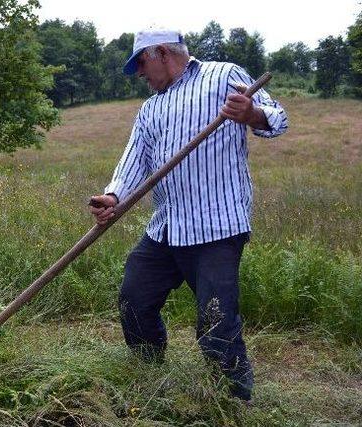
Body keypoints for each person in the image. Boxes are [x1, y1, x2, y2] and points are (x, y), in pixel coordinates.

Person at [89, 27, 288, 402]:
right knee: (134, 298)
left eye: (141, 64)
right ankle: (149, 375)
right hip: (166, 227)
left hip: (216, 226)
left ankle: (233, 402)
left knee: (215, 320)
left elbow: (278, 119)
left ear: (162, 53)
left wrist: (252, 113)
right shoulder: (150, 108)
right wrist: (113, 196)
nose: (139, 74)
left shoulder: (223, 75)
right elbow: (135, 159)